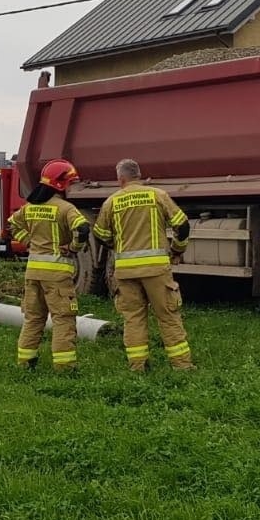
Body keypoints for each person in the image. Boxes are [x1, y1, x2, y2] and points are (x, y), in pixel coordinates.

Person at [91, 159, 195, 372]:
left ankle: (138, 366)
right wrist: (177, 250)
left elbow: (100, 234)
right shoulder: (158, 195)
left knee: (133, 319)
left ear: (121, 179)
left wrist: (115, 245)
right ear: (139, 175)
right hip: (156, 270)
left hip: (125, 271)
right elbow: (182, 225)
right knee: (168, 316)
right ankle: (182, 366)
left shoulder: (112, 201)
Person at [7, 160, 90, 371]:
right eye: (70, 183)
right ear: (61, 184)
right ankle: (64, 367)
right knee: (63, 319)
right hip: (57, 275)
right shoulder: (65, 208)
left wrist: (28, 242)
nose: (72, 187)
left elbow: (11, 225)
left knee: (33, 319)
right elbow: (82, 229)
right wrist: (73, 247)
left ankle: (25, 363)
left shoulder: (29, 207)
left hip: (33, 273)